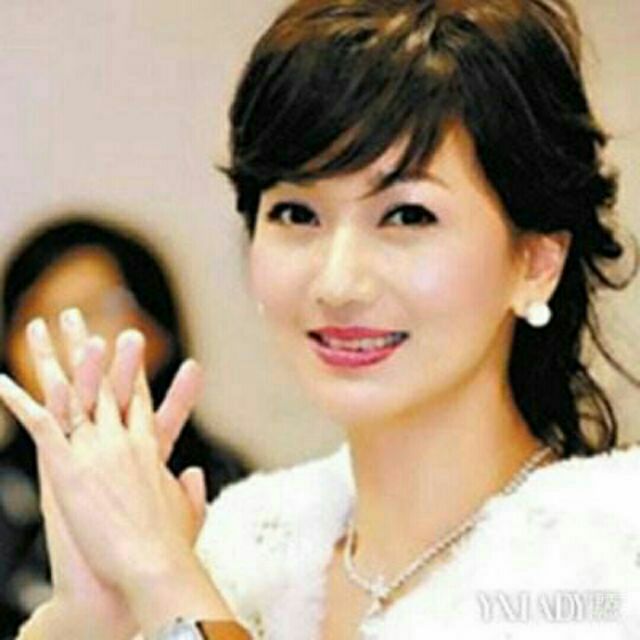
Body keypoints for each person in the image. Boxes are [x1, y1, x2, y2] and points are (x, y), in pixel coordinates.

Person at [3, 0, 640, 638]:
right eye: (296, 214)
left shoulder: (610, 558)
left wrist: (163, 579)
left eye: (407, 216)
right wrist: (89, 615)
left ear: (535, 262)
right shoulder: (243, 541)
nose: (337, 284)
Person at [0, 217, 250, 638]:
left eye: (95, 310)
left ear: (158, 330)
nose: (67, 340)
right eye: (38, 317)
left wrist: (158, 565)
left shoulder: (234, 489)